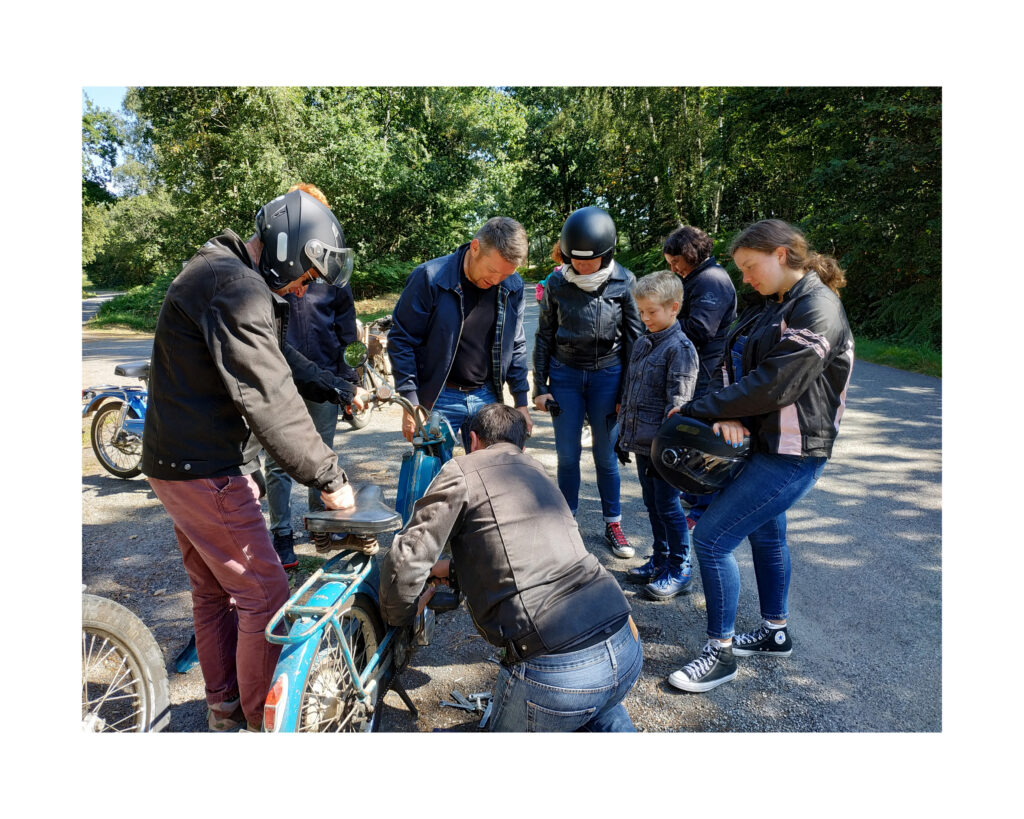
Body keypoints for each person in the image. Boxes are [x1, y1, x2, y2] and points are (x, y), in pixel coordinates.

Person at [141, 189, 368, 731]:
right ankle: (262, 723)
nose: (305, 286)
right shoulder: (232, 285)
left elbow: (278, 359)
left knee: (215, 591)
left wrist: (336, 387)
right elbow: (267, 392)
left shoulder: (223, 275)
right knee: (265, 593)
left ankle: (224, 708)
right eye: (307, 275)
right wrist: (329, 476)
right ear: (289, 250)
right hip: (202, 468)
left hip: (180, 461)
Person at [665, 219, 854, 693]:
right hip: (761, 443)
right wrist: (726, 415)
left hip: (792, 452)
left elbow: (776, 383)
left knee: (710, 539)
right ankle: (775, 632)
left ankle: (720, 654)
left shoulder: (819, 307)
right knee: (767, 539)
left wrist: (697, 409)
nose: (745, 278)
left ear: (783, 254)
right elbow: (734, 370)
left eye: (750, 267)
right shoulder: (774, 304)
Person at [379, 404, 643, 732]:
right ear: (522, 445)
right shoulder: (534, 469)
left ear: (473, 440)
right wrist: (453, 571)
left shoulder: (463, 468)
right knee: (599, 708)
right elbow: (525, 558)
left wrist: (398, 618)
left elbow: (408, 558)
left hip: (555, 673)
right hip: (625, 641)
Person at [533, 206, 643, 557]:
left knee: (606, 457)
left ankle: (613, 522)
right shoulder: (555, 283)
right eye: (575, 260)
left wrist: (628, 393)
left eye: (590, 261)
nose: (582, 267)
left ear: (606, 254)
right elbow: (543, 337)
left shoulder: (624, 281)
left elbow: (635, 342)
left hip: (608, 377)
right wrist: (540, 387)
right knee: (567, 457)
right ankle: (569, 524)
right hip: (564, 376)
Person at [262, 183, 360, 567]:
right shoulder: (275, 266)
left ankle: (318, 523)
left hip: (324, 373)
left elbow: (346, 324)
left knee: (321, 452)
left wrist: (346, 373)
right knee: (278, 460)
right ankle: (282, 532)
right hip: (279, 378)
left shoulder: (333, 272)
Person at [387, 217, 533, 451]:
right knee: (429, 475)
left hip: (487, 396)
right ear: (475, 247)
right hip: (437, 398)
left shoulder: (512, 286)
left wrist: (521, 402)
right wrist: (411, 403)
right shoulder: (430, 278)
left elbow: (515, 344)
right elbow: (402, 341)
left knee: (489, 476)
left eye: (504, 275)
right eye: (493, 271)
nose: (496, 281)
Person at [616, 271, 699, 601]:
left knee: (669, 507)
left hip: (664, 448)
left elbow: (679, 403)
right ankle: (661, 559)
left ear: (674, 307)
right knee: (652, 504)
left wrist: (668, 446)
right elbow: (632, 391)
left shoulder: (680, 349)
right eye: (642, 311)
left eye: (652, 311)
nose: (645, 317)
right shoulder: (643, 342)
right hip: (641, 443)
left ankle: (680, 569)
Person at [662, 225, 737, 398]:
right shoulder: (699, 278)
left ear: (690, 254)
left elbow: (700, 329)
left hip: (706, 369)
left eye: (675, 262)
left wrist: (663, 322)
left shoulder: (711, 280)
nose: (673, 269)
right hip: (696, 364)